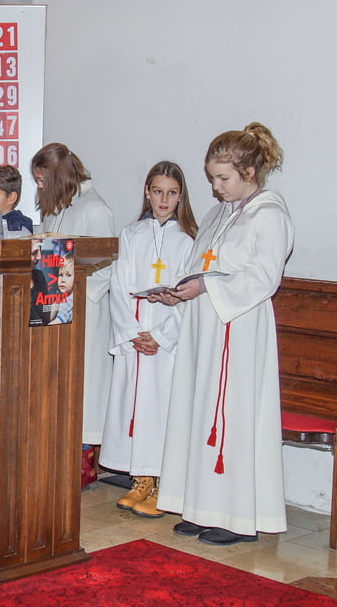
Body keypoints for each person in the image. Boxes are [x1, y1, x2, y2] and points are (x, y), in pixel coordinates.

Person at [154, 124, 293, 545]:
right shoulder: (219, 214)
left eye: (223, 178)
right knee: (199, 410)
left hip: (239, 327)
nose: (215, 187)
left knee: (230, 415)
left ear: (249, 171)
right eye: (212, 178)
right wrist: (179, 291)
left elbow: (263, 278)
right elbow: (201, 266)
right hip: (204, 328)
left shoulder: (269, 215)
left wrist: (206, 287)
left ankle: (235, 516)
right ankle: (201, 506)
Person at [101, 161, 197, 518]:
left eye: (172, 193)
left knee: (161, 407)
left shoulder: (188, 240)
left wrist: (160, 336)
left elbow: (189, 294)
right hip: (135, 333)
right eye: (158, 191)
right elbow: (118, 284)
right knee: (134, 406)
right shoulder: (132, 234)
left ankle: (162, 483)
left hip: (165, 339)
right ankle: (140, 479)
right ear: (147, 192)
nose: (164, 200)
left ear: (181, 196)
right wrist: (131, 332)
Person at [31, 143, 115, 446]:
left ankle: (82, 444)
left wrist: (74, 292)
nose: (40, 186)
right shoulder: (57, 207)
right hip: (52, 305)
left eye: (42, 180)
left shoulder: (95, 209)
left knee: (82, 377)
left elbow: (107, 264)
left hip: (84, 310)